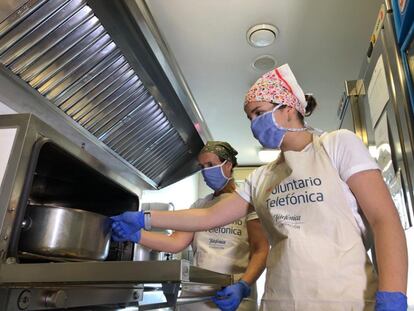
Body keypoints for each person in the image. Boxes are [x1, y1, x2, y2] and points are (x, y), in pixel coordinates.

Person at [112, 64, 408, 311]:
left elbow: (384, 218)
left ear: (289, 107)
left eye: (258, 112)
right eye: (249, 117)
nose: (254, 123)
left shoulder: (337, 144)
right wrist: (146, 219)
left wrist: (393, 293)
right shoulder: (263, 176)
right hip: (280, 301)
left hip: (346, 300)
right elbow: (207, 217)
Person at [112, 141, 269, 311]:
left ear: (228, 165)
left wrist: (244, 284)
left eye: (210, 165)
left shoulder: (246, 203)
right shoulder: (200, 206)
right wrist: (136, 235)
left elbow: (260, 249)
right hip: (195, 297)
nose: (206, 172)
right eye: (202, 167)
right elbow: (175, 242)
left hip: (232, 296)